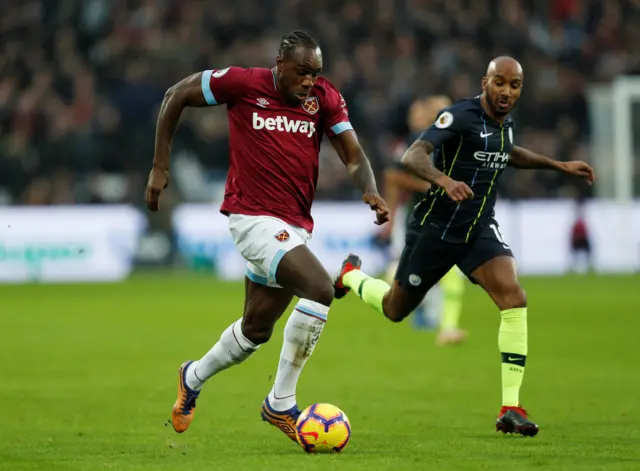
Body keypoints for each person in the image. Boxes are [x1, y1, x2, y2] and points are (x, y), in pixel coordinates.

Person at [144, 30, 389, 442]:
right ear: (280, 63)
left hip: (293, 226)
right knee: (319, 290)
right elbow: (176, 94)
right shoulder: (243, 84)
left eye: (316, 73)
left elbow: (354, 154)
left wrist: (369, 187)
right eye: (302, 72)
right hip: (251, 218)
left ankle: (193, 376)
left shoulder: (324, 99)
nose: (310, 81)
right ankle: (281, 404)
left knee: (255, 329)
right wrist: (160, 166)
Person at [333, 57, 595, 437]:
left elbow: (509, 152)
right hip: (435, 229)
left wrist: (558, 166)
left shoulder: (504, 125)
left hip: (478, 230)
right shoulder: (459, 115)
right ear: (484, 82)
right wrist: (445, 181)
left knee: (513, 297)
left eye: (515, 85)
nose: (507, 92)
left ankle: (510, 407)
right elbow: (413, 156)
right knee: (394, 308)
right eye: (500, 83)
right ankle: (351, 276)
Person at [382, 95, 467, 344]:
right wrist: (430, 185)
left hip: (439, 219)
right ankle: (359, 279)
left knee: (447, 273)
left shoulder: (449, 142)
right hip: (417, 219)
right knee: (406, 274)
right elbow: (392, 176)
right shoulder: (417, 142)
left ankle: (444, 326)